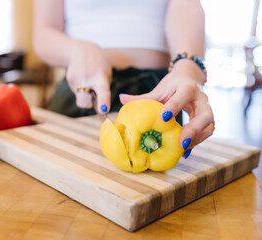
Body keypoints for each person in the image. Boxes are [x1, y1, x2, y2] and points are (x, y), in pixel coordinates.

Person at [33, 0, 215, 159]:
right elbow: (44, 32)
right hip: (82, 91)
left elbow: (186, 4)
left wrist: (188, 68)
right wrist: (76, 50)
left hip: (160, 93)